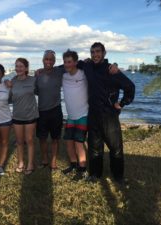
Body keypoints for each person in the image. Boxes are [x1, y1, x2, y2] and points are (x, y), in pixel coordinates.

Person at [80, 42, 135, 183]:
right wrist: (44, 70)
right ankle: (95, 175)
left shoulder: (112, 70)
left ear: (104, 53)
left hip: (109, 115)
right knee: (94, 148)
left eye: (98, 52)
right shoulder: (87, 66)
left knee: (115, 149)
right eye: (92, 52)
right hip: (93, 114)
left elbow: (130, 87)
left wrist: (121, 103)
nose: (95, 54)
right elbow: (70, 65)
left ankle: (118, 177)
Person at [61, 50, 88, 180]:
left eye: (70, 62)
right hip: (71, 116)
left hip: (83, 114)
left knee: (78, 143)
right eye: (65, 62)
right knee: (68, 141)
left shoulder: (84, 74)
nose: (67, 64)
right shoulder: (63, 76)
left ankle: (82, 169)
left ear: (76, 62)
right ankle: (73, 164)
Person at [35, 50, 64, 170]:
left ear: (54, 61)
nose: (48, 61)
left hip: (56, 110)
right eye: (46, 59)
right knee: (42, 138)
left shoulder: (59, 71)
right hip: (41, 111)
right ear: (43, 61)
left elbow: (75, 64)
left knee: (55, 138)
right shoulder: (37, 75)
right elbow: (33, 90)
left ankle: (53, 162)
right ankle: (44, 159)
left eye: (51, 59)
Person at [10, 58, 39, 175]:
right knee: (19, 141)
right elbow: (8, 98)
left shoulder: (33, 80)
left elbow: (41, 92)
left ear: (26, 68)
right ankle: (21, 163)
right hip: (17, 116)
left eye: (21, 66)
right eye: (17, 66)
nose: (18, 69)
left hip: (30, 115)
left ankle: (30, 164)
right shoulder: (13, 81)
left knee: (30, 140)